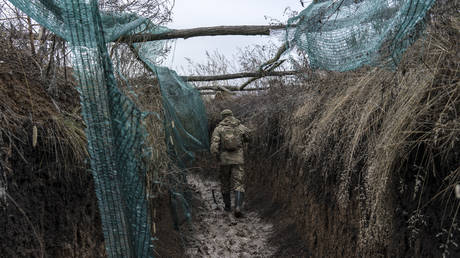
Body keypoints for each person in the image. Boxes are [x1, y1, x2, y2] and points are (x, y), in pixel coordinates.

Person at [210, 109, 250, 217]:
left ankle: (227, 207)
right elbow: (249, 137)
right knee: (239, 183)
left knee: (225, 182)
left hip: (224, 160)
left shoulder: (219, 129)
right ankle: (238, 207)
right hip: (238, 159)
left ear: (222, 117)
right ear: (232, 115)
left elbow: (214, 146)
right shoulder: (240, 126)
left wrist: (216, 158)